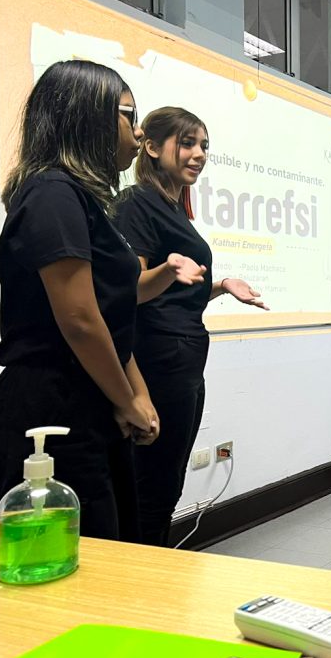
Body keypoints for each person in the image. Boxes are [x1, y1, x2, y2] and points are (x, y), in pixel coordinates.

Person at [0, 60, 159, 542]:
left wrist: (136, 394)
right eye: (129, 112)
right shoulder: (51, 194)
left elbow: (109, 314)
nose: (139, 129)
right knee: (71, 578)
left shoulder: (84, 201)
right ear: (89, 118)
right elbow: (79, 319)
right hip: (50, 409)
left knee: (111, 560)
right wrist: (127, 399)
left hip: (90, 402)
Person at [113, 107, 268, 545]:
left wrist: (220, 285)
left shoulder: (173, 207)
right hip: (156, 362)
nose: (198, 154)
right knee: (151, 489)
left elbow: (175, 288)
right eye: (187, 143)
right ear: (150, 146)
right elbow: (133, 290)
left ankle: (155, 582)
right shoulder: (136, 203)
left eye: (204, 146)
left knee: (166, 485)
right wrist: (167, 269)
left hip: (182, 361)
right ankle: (142, 588)